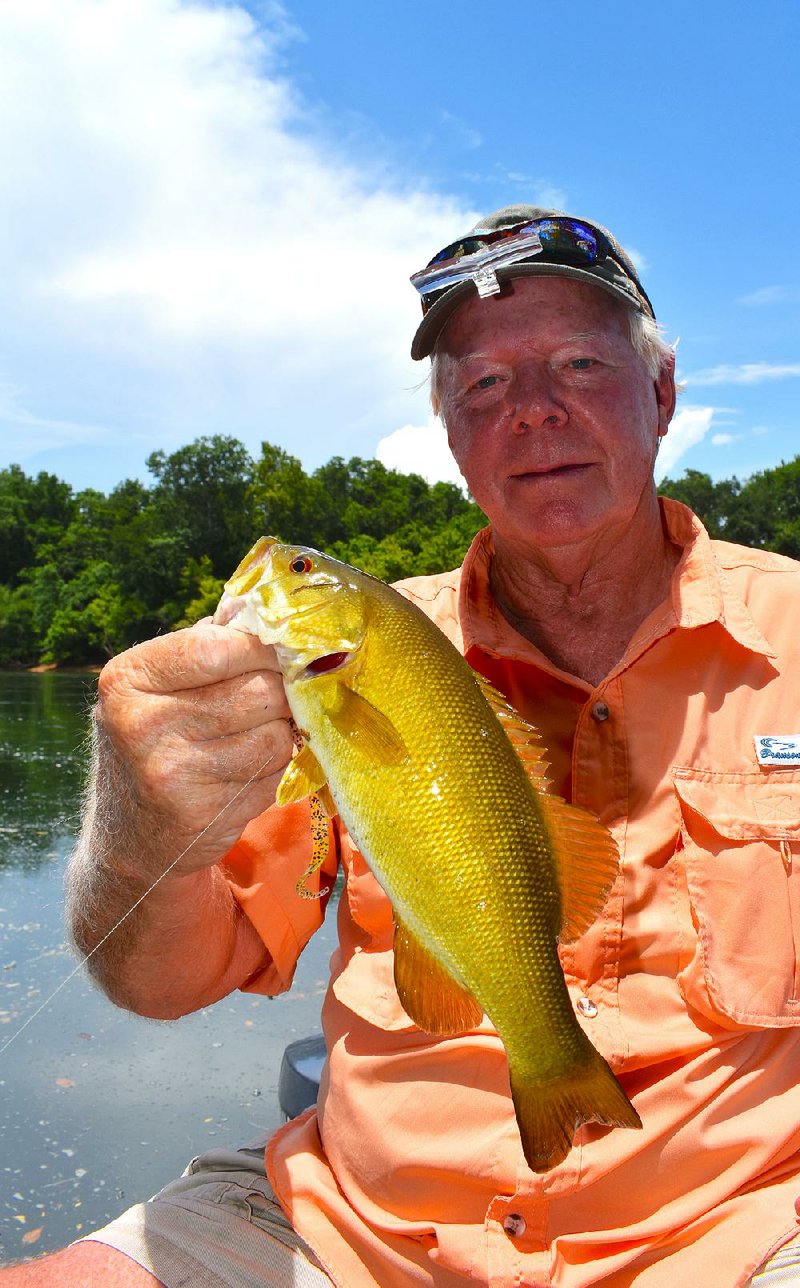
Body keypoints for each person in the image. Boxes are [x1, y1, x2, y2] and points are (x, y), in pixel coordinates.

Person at [5, 204, 800, 1288]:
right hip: (345, 1229)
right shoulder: (337, 673)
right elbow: (163, 983)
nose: (531, 411)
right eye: (481, 384)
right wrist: (142, 830)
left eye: (576, 361)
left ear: (659, 393)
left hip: (737, 1235)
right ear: (451, 436)